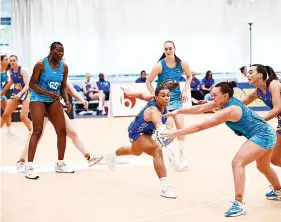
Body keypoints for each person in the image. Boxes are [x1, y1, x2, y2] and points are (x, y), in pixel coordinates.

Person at [164, 81, 281, 217]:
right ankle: (278, 190)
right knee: (263, 167)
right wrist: (177, 111)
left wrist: (175, 133)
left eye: (214, 95)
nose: (212, 98)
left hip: (263, 135)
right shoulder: (223, 102)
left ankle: (239, 203)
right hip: (266, 132)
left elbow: (200, 126)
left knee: (238, 162)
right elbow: (198, 109)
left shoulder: (230, 110)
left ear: (225, 96)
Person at [104, 85, 177, 199]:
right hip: (136, 132)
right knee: (156, 150)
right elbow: (159, 125)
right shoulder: (154, 110)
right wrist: (165, 138)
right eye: (163, 95)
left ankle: (111, 155)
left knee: (135, 151)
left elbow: (141, 95)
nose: (166, 98)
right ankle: (165, 187)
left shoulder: (163, 109)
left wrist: (130, 93)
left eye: (168, 95)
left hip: (146, 133)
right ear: (156, 97)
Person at [16, 78, 103, 172]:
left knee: (72, 133)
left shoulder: (63, 73)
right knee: (36, 136)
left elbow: (72, 91)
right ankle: (21, 162)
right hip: (42, 106)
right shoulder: (44, 69)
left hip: (56, 107)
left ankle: (89, 158)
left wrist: (82, 100)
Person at [25, 42, 74, 179]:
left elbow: (63, 86)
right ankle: (29, 167)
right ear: (51, 50)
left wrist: (67, 100)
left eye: (62, 52)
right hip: (38, 99)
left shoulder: (64, 67)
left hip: (54, 99)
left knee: (62, 131)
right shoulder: (41, 64)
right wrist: (48, 93)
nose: (61, 54)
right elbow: (31, 84)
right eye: (58, 51)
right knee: (37, 130)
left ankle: (60, 164)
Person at [146, 40, 192, 171]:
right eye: (166, 49)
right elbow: (148, 81)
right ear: (164, 50)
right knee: (169, 130)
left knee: (181, 129)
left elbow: (189, 76)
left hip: (177, 101)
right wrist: (155, 97)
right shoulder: (159, 66)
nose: (168, 51)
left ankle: (182, 157)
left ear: (174, 49)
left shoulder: (182, 64)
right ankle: (173, 160)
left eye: (170, 48)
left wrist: (184, 90)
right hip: (164, 103)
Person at [242, 64, 281, 167]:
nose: (247, 75)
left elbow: (277, 108)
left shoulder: (273, 84)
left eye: (251, 72)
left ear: (259, 75)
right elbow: (239, 104)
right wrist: (218, 104)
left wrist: (259, 120)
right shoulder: (258, 92)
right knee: (275, 160)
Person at [0, 55, 32, 137]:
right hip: (16, 93)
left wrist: (20, 94)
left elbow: (27, 85)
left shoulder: (23, 71)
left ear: (17, 61)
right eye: (10, 61)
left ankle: (31, 131)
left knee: (23, 116)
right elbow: (11, 81)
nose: (12, 62)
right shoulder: (10, 71)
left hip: (25, 93)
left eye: (14, 60)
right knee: (5, 114)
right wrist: (3, 91)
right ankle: (8, 131)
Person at [0, 55, 16, 136]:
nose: (8, 61)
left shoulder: (6, 70)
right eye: (6, 60)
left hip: (2, 94)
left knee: (8, 111)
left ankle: (9, 131)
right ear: (1, 61)